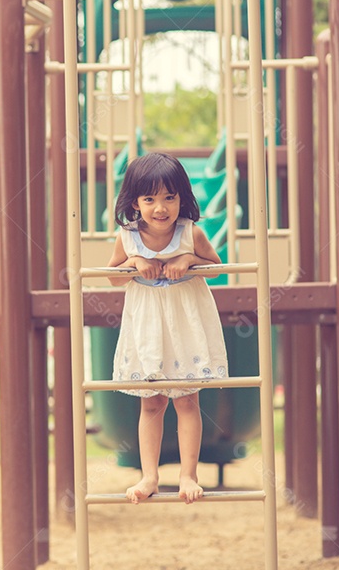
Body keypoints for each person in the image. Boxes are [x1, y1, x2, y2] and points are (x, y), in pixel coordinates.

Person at [107, 152, 228, 504]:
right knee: (152, 402)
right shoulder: (127, 238)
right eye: (150, 199)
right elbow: (114, 280)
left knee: (188, 400)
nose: (161, 208)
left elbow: (216, 268)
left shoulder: (191, 233)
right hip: (148, 327)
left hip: (184, 322)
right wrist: (133, 262)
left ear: (182, 198)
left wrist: (189, 258)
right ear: (135, 203)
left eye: (169, 198)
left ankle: (188, 475)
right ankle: (149, 476)